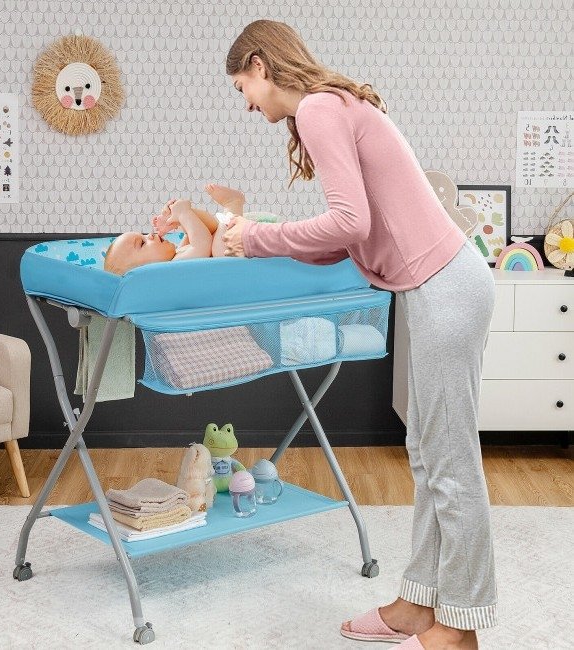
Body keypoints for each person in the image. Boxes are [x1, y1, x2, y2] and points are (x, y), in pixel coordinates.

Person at [221, 19, 497, 650]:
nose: (247, 105)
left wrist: (258, 236)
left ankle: (460, 626)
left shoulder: (318, 108)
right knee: (427, 453)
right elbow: (354, 234)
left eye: (243, 88)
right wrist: (263, 240)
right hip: (437, 286)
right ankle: (418, 602)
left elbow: (348, 220)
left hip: (446, 287)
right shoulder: (333, 106)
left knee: (451, 463)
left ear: (260, 64)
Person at [103, 183, 246, 275]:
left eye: (144, 235)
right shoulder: (174, 268)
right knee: (220, 251)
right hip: (232, 271)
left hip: (236, 251)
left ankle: (231, 208)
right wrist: (183, 213)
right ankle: (233, 204)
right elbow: (203, 242)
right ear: (144, 271)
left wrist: (176, 219)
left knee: (213, 236)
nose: (150, 235)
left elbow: (206, 229)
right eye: (142, 243)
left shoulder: (177, 254)